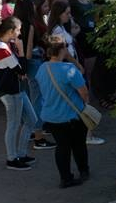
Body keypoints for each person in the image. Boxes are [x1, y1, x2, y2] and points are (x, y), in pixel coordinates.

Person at [36, 42, 90, 187]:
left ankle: (65, 178)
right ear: (62, 50)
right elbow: (84, 92)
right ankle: (83, 171)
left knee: (62, 147)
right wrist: (85, 105)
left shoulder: (42, 68)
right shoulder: (69, 69)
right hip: (72, 115)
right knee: (79, 145)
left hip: (51, 116)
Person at [0, 16, 38, 170]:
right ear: (10, 31)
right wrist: (22, 50)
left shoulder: (5, 44)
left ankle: (21, 154)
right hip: (10, 92)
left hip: (17, 89)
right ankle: (12, 158)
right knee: (13, 125)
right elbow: (22, 70)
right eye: (18, 30)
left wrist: (20, 70)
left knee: (31, 119)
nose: (20, 33)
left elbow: (20, 71)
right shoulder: (2, 49)